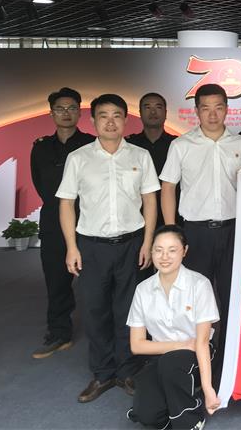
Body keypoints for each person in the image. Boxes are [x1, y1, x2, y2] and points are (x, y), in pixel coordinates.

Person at [56, 94, 160, 402]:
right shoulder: (79, 158)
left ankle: (127, 370)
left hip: (131, 244)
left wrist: (148, 241)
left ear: (126, 120)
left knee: (128, 310)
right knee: (95, 310)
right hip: (91, 247)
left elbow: (150, 200)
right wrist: (71, 247)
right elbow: (66, 204)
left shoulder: (140, 156)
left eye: (117, 115)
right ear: (93, 121)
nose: (111, 122)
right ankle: (102, 373)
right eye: (104, 116)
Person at [160, 83, 241, 382]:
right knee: (193, 300)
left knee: (231, 298)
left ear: (227, 109)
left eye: (218, 107)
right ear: (196, 111)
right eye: (206, 108)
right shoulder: (181, 145)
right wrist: (172, 232)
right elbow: (168, 187)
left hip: (233, 232)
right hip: (195, 233)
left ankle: (226, 364)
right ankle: (191, 362)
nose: (213, 114)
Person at [126, 225, 220, 430]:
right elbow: (137, 345)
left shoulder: (199, 285)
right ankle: (172, 398)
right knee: (146, 415)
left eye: (172, 250)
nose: (164, 257)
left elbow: (201, 342)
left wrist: (208, 389)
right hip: (162, 355)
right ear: (151, 251)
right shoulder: (143, 290)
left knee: (172, 364)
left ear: (184, 251)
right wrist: (180, 345)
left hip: (198, 353)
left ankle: (191, 419)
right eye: (158, 250)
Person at [29, 87, 94, 359]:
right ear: (51, 113)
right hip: (54, 223)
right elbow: (39, 183)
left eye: (71, 108)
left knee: (96, 282)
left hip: (89, 221)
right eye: (60, 109)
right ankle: (59, 333)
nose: (66, 113)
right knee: (56, 280)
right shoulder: (41, 147)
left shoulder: (92, 144)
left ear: (80, 112)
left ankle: (104, 335)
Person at [126, 92, 177, 228]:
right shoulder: (128, 145)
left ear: (166, 113)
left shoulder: (177, 145)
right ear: (140, 113)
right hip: (137, 219)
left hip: (173, 217)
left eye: (158, 107)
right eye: (147, 107)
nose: (153, 112)